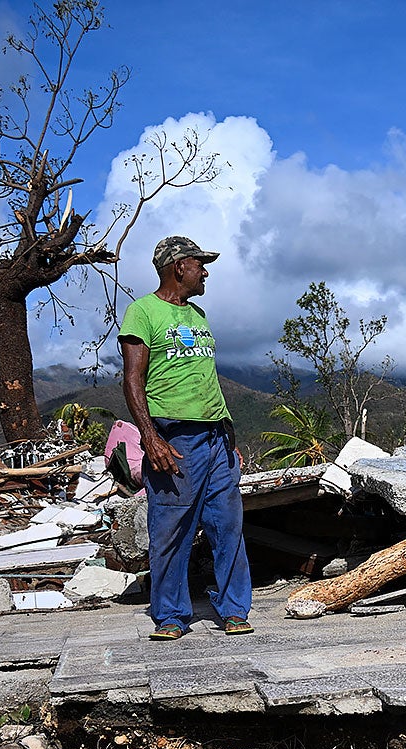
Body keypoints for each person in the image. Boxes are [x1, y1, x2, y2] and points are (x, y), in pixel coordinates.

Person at [119, 235, 253, 640]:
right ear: (179, 266)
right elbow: (132, 379)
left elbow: (204, 379)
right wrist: (150, 437)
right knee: (171, 528)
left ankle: (233, 609)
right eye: (199, 264)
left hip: (216, 439)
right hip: (175, 439)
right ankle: (172, 615)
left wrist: (226, 434)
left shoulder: (198, 314)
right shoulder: (142, 312)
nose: (205, 272)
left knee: (227, 524)